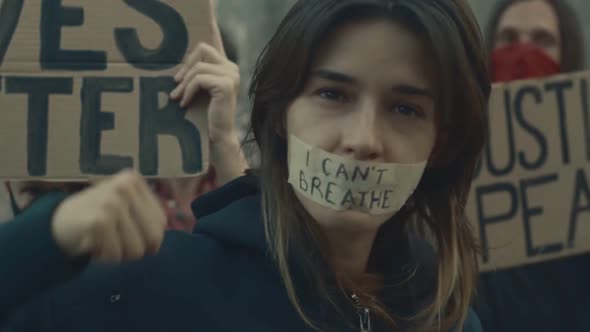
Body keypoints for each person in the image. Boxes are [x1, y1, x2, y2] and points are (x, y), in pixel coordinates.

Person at [0, 0, 490, 331]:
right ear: (280, 115)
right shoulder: (155, 283)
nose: (363, 141)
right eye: (332, 94)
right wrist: (49, 237)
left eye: (405, 108)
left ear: (441, 142)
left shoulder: (448, 318)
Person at [475, 1, 589, 332]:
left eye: (542, 40)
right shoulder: (449, 151)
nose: (522, 53)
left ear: (567, 57)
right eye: (508, 38)